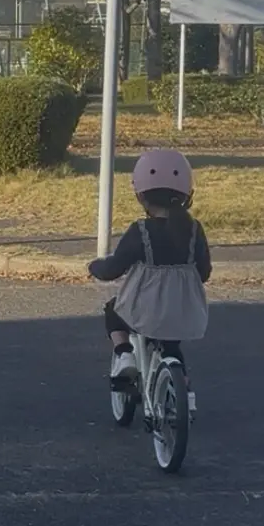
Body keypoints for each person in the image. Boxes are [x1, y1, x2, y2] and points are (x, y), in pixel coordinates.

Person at [87, 148, 211, 405]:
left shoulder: (140, 230)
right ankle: (184, 392)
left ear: (141, 194)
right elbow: (204, 271)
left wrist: (95, 267)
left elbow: (115, 268)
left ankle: (124, 355)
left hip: (145, 310)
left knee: (113, 310)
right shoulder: (194, 230)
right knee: (171, 347)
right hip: (183, 310)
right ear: (187, 192)